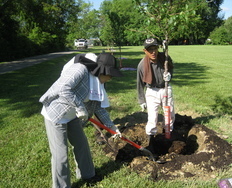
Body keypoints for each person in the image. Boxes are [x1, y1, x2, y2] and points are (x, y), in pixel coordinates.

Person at [39, 52, 123, 188]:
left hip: (72, 116)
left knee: (82, 145)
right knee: (61, 155)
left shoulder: (99, 82)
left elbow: (98, 107)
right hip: (56, 114)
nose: (111, 78)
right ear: (102, 70)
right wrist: (79, 107)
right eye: (110, 74)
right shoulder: (80, 69)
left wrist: (112, 127)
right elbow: (63, 88)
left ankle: (88, 175)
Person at [137, 38, 175, 153]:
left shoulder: (165, 59)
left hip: (165, 88)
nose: (153, 52)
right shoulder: (142, 65)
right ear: (145, 51)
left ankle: (167, 135)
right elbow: (139, 83)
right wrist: (141, 100)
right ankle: (151, 141)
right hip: (151, 91)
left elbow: (171, 69)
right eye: (150, 50)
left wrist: (169, 75)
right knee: (152, 118)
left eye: (155, 48)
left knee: (170, 114)